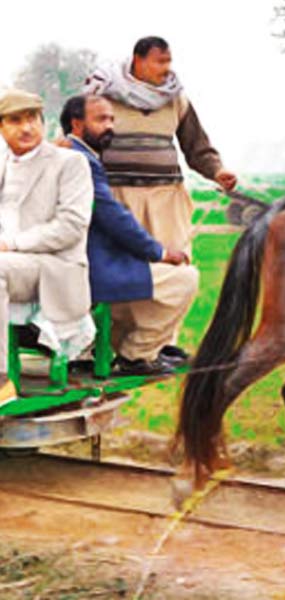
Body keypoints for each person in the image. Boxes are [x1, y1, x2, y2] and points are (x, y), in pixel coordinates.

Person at [84, 35, 236, 362]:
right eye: (159, 62)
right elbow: (79, 137)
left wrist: (217, 171)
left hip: (167, 201)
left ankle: (160, 343)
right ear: (138, 61)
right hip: (117, 198)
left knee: (173, 267)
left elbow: (198, 147)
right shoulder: (101, 93)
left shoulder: (176, 99)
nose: (167, 69)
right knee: (123, 270)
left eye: (169, 61)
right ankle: (111, 343)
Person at [61, 94, 199, 376]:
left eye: (112, 119)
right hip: (91, 269)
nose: (111, 126)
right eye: (101, 119)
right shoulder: (81, 161)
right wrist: (159, 252)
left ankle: (103, 350)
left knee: (145, 289)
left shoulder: (67, 155)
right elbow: (113, 217)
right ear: (77, 124)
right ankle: (137, 354)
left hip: (77, 266)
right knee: (184, 278)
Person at [0, 89, 92, 403]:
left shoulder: (70, 163)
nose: (26, 128)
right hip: (13, 265)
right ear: (1, 127)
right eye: (15, 120)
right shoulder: (2, 164)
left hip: (56, 266)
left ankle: (1, 383)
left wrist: (11, 244)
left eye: (32, 119)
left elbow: (71, 227)